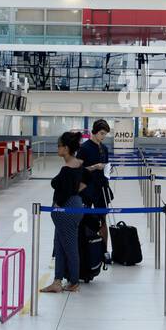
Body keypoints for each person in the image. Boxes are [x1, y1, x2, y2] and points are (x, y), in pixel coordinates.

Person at [41, 131, 88, 293]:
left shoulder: (66, 170)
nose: (57, 148)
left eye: (59, 146)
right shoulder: (80, 164)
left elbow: (61, 192)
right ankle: (57, 281)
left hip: (65, 211)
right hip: (76, 205)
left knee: (69, 246)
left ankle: (74, 281)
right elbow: (85, 182)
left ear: (66, 148)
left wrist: (57, 203)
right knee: (60, 245)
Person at [78, 120, 113, 259]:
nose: (103, 137)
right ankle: (84, 250)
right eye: (101, 133)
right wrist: (93, 167)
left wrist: (106, 169)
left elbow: (106, 166)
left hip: (101, 188)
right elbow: (78, 169)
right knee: (84, 219)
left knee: (103, 219)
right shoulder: (84, 148)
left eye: (105, 134)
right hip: (87, 189)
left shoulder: (104, 148)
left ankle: (104, 251)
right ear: (94, 132)